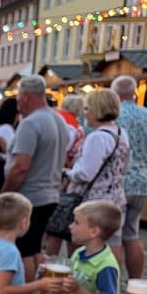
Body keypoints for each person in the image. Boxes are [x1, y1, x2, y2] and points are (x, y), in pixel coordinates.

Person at [2, 74, 70, 294]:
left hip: (30, 195)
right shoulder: (58, 119)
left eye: (19, 96)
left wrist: (6, 194)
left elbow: (21, 166)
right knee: (35, 248)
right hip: (50, 191)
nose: (18, 102)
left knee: (25, 249)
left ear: (27, 96)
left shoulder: (31, 123)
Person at [46, 87, 130, 259]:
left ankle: (82, 278)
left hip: (92, 201)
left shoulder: (97, 137)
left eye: (87, 109)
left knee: (82, 243)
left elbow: (85, 174)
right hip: (115, 197)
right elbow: (125, 166)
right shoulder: (121, 133)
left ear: (97, 110)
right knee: (111, 244)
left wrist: (66, 173)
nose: (85, 114)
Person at [111, 75, 147, 279]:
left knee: (114, 237)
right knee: (132, 234)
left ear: (115, 94)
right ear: (135, 93)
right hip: (143, 181)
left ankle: (113, 283)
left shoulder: (113, 115)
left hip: (119, 181)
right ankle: (135, 280)